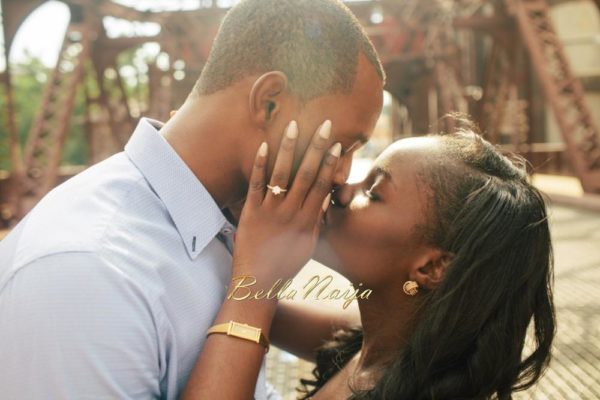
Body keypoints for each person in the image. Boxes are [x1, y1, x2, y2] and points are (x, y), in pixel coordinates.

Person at [0, 0, 384, 398]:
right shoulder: (87, 270)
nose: (341, 174)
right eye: (343, 144)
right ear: (269, 102)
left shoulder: (214, 228)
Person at [185, 119, 555, 399]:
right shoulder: (378, 345)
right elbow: (255, 306)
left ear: (432, 267)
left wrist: (261, 277)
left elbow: (254, 302)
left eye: (373, 192)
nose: (341, 190)